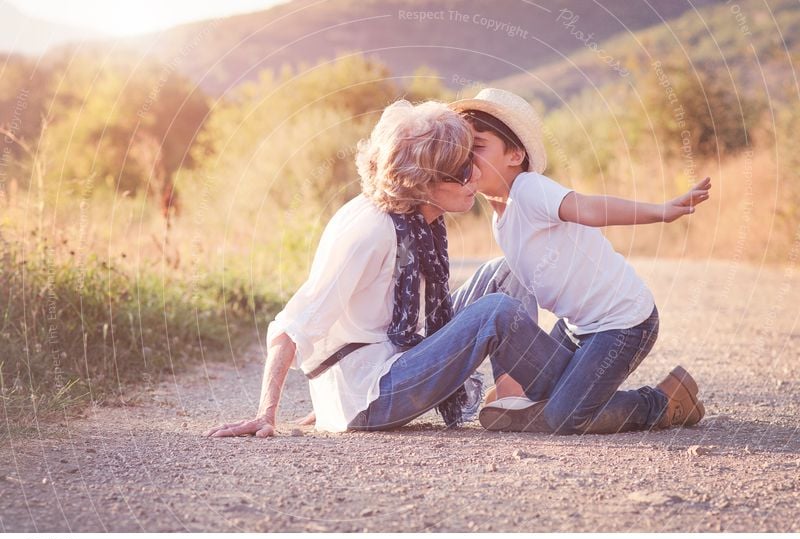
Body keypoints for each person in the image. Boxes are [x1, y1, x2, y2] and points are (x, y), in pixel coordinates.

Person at [205, 100, 575, 438]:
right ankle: (579, 396)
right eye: (462, 170)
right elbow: (293, 325)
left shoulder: (418, 217)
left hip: (398, 357)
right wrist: (266, 414)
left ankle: (514, 398)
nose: (475, 178)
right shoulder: (371, 230)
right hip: (374, 393)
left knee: (507, 271)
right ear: (422, 181)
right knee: (497, 311)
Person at [449, 88, 708, 434]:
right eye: (463, 149)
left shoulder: (528, 188)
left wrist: (659, 212)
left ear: (514, 154)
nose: (468, 158)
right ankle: (545, 398)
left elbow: (587, 207)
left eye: (478, 147)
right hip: (575, 329)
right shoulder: (501, 219)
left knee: (565, 418)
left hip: (623, 325)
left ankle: (662, 401)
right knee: (555, 397)